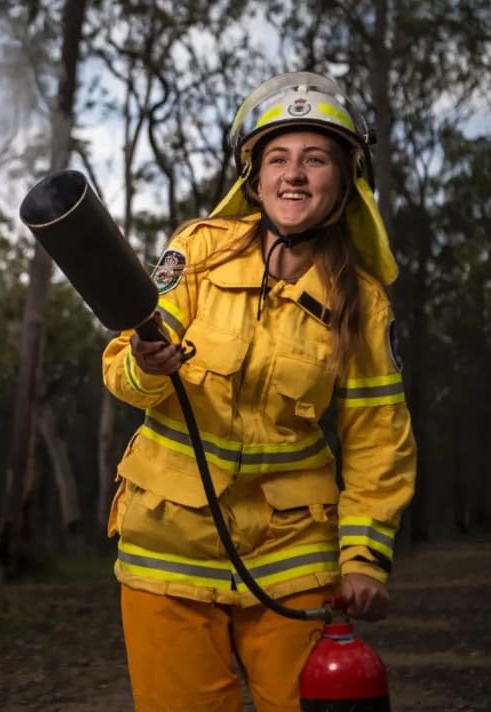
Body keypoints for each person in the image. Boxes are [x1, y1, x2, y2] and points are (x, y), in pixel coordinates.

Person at [102, 71, 417, 711]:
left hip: (292, 558)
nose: (293, 174)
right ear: (253, 175)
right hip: (168, 552)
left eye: (314, 158)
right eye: (277, 158)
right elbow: (120, 370)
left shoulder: (363, 303)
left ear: (346, 177)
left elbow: (376, 439)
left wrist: (363, 557)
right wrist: (147, 363)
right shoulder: (198, 254)